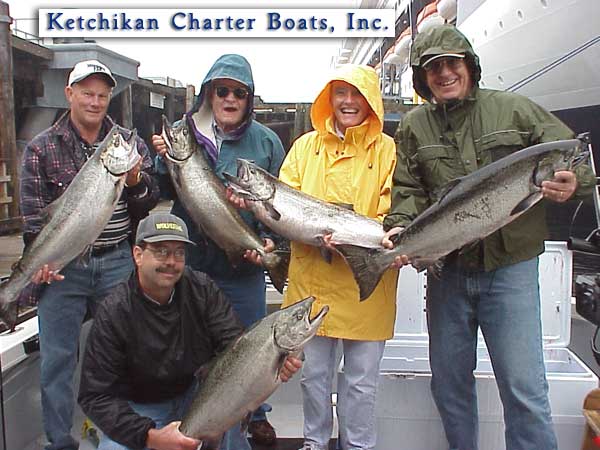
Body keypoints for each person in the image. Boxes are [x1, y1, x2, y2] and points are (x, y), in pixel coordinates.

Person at [381, 24, 596, 450]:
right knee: (449, 387)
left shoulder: (515, 109)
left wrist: (575, 184)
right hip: (448, 275)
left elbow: (575, 159)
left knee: (525, 389)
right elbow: (408, 191)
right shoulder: (414, 126)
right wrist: (399, 226)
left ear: (469, 66)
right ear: (423, 78)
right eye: (433, 67)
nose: (444, 73)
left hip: (510, 270)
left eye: (451, 63)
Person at [19, 59, 159, 450]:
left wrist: (134, 181)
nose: (95, 102)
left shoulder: (128, 144)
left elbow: (146, 204)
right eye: (87, 93)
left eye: (102, 94)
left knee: (124, 353)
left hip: (117, 260)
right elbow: (34, 222)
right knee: (58, 360)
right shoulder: (40, 148)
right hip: (63, 267)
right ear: (69, 94)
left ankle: (121, 438)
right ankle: (60, 441)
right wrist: (41, 265)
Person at [77, 212, 302, 450]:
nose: (171, 262)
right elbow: (95, 396)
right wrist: (150, 436)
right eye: (161, 251)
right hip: (140, 408)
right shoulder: (114, 310)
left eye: (179, 253)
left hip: (198, 395)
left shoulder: (202, 289)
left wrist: (273, 368)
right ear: (137, 255)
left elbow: (235, 346)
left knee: (232, 436)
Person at [151, 53, 285, 447]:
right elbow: (160, 192)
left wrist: (266, 243)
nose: (229, 98)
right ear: (209, 92)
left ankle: (255, 415)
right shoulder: (183, 133)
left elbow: (277, 204)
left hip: (242, 268)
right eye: (222, 90)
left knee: (251, 348)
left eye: (238, 92)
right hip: (191, 267)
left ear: (249, 98)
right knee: (189, 347)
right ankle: (194, 416)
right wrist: (162, 162)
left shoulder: (267, 142)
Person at [269, 64, 398, 450]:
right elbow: (284, 203)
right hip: (313, 281)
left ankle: (357, 445)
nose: (348, 102)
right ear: (328, 100)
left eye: (357, 94)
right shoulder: (304, 147)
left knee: (360, 382)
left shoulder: (387, 149)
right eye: (340, 93)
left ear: (371, 101)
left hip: (367, 286)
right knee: (314, 376)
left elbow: (393, 211)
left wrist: (354, 239)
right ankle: (314, 442)